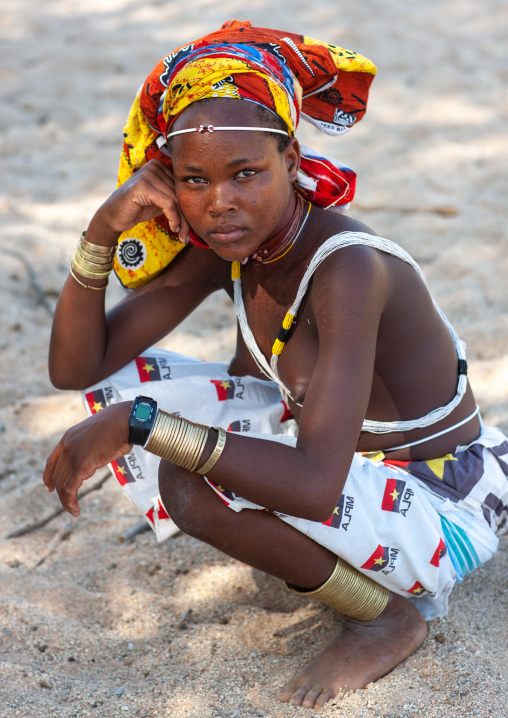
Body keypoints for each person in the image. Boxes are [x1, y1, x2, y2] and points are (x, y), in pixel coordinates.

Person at [43, 21, 508, 710]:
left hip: (438, 498)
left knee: (190, 476)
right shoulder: (231, 247)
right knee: (127, 386)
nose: (220, 201)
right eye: (194, 180)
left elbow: (317, 484)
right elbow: (76, 366)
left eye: (246, 173)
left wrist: (140, 425)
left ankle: (383, 617)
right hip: (339, 462)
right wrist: (102, 229)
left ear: (291, 159)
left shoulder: (348, 268)